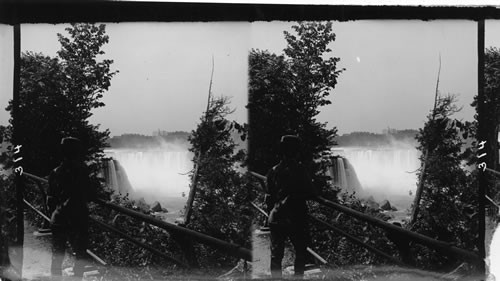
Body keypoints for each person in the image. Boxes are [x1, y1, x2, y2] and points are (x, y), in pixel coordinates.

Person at [265, 135, 317, 278]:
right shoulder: (300, 170)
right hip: (296, 217)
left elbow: (269, 196)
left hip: (276, 217)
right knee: (301, 251)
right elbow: (311, 192)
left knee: (276, 255)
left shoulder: (272, 171)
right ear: (296, 151)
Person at [47, 137, 94, 280]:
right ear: (77, 152)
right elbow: (91, 195)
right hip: (78, 218)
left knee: (57, 255)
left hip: (59, 218)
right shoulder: (83, 171)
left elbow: (50, 199)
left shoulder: (55, 172)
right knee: (80, 254)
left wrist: (54, 213)